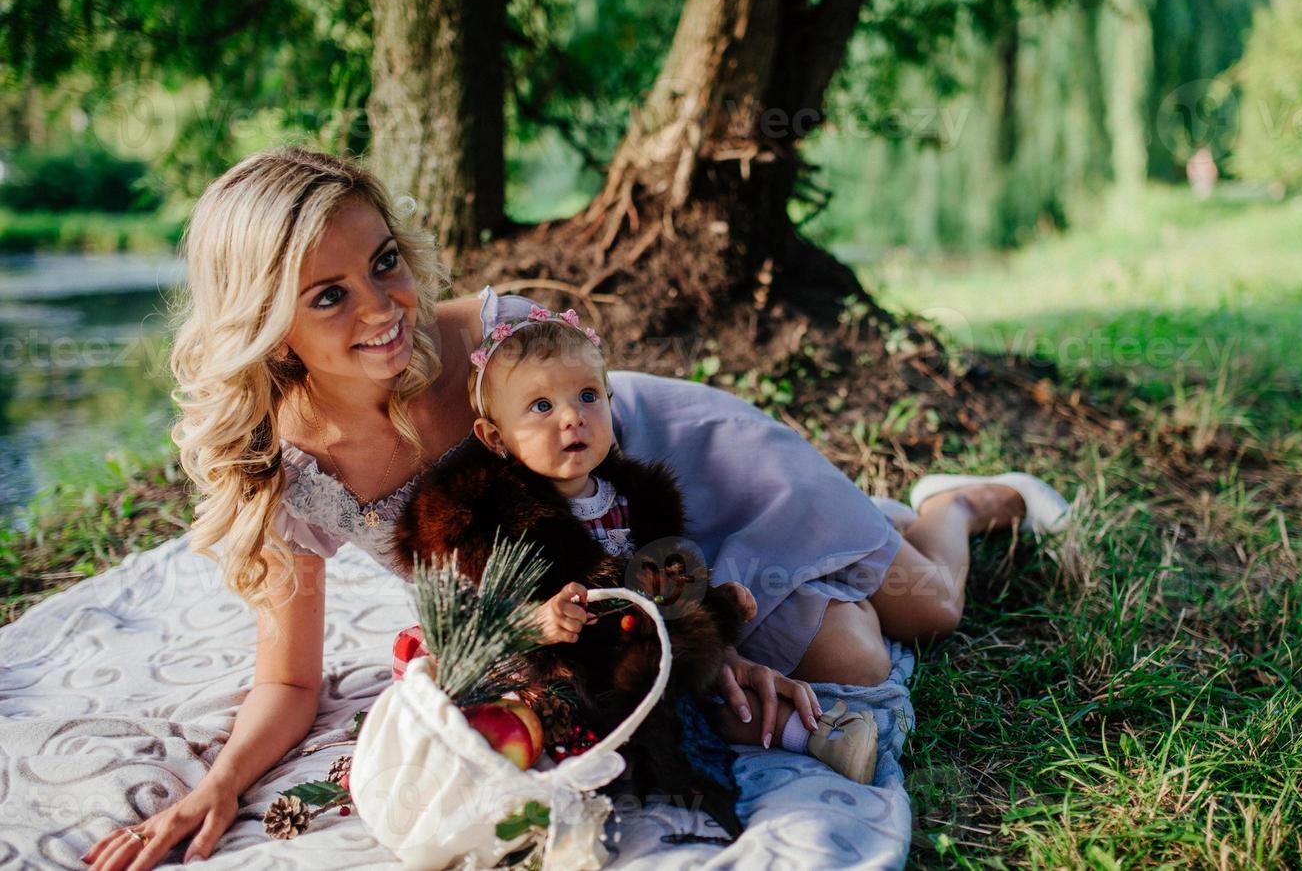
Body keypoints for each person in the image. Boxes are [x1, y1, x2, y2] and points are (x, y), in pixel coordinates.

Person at [83, 148, 1068, 870]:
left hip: (668, 474)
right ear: (265, 319)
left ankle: (957, 503)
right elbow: (290, 684)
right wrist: (215, 788)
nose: (384, 308)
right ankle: (857, 533)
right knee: (850, 653)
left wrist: (708, 641)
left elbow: (624, 495)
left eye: (385, 261)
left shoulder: (488, 337)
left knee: (927, 608)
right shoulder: (292, 468)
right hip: (599, 582)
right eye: (328, 295)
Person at [392, 289, 880, 783]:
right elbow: (474, 619)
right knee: (574, 714)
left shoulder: (637, 498)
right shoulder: (497, 520)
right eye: (541, 405)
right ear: (496, 438)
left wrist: (712, 602)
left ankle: (817, 732)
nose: (572, 417)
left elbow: (668, 573)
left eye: (588, 396)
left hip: (639, 646)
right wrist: (536, 622)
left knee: (694, 688)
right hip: (553, 666)